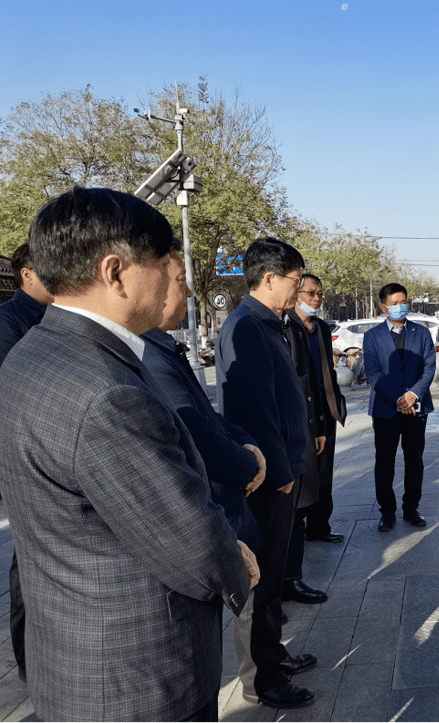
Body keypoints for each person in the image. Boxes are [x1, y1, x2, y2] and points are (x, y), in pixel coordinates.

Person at [0, 187, 254, 721]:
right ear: (115, 272)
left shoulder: (33, 353)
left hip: (75, 659)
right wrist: (235, 562)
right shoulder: (107, 392)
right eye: (163, 266)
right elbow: (189, 542)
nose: (173, 281)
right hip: (138, 678)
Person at [140, 253, 269, 700]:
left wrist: (247, 445)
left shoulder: (163, 348)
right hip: (213, 502)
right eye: (180, 280)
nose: (189, 292)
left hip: (228, 492)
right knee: (237, 608)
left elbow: (210, 415)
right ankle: (258, 683)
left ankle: (259, 677)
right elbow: (196, 431)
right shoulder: (148, 357)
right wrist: (249, 465)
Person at [216, 237, 316, 709]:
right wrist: (279, 471)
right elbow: (256, 411)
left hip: (283, 469)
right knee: (265, 580)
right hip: (269, 477)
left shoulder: (267, 323)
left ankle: (274, 655)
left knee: (274, 579)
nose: (299, 289)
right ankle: (266, 680)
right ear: (270, 278)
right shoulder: (247, 327)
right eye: (295, 281)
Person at [0, 242, 53, 684]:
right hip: (28, 457)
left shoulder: (54, 318)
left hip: (54, 453)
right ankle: (28, 662)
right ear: (27, 275)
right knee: (29, 563)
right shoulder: (9, 322)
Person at [363, 283, 436, 531]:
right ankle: (387, 512)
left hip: (417, 408)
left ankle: (411, 508)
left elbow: (429, 368)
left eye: (403, 302)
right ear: (384, 307)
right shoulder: (372, 336)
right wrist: (398, 398)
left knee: (414, 460)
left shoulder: (421, 333)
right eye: (394, 303)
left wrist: (413, 395)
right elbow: (373, 373)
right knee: (385, 462)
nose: (400, 307)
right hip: (385, 409)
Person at [279, 282, 330, 606]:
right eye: (296, 284)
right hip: (277, 439)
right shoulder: (247, 327)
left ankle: (291, 579)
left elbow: (311, 381)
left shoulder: (294, 327)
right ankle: (272, 593)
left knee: (298, 509)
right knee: (279, 519)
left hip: (305, 428)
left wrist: (319, 425)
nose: (312, 297)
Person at [289, 272, 347, 546]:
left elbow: (327, 370)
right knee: (304, 473)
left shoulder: (321, 328)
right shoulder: (287, 327)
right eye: (311, 293)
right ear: (296, 294)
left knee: (324, 472)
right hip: (302, 410)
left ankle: (320, 526)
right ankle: (297, 531)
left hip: (326, 409)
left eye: (320, 293)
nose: (316, 298)